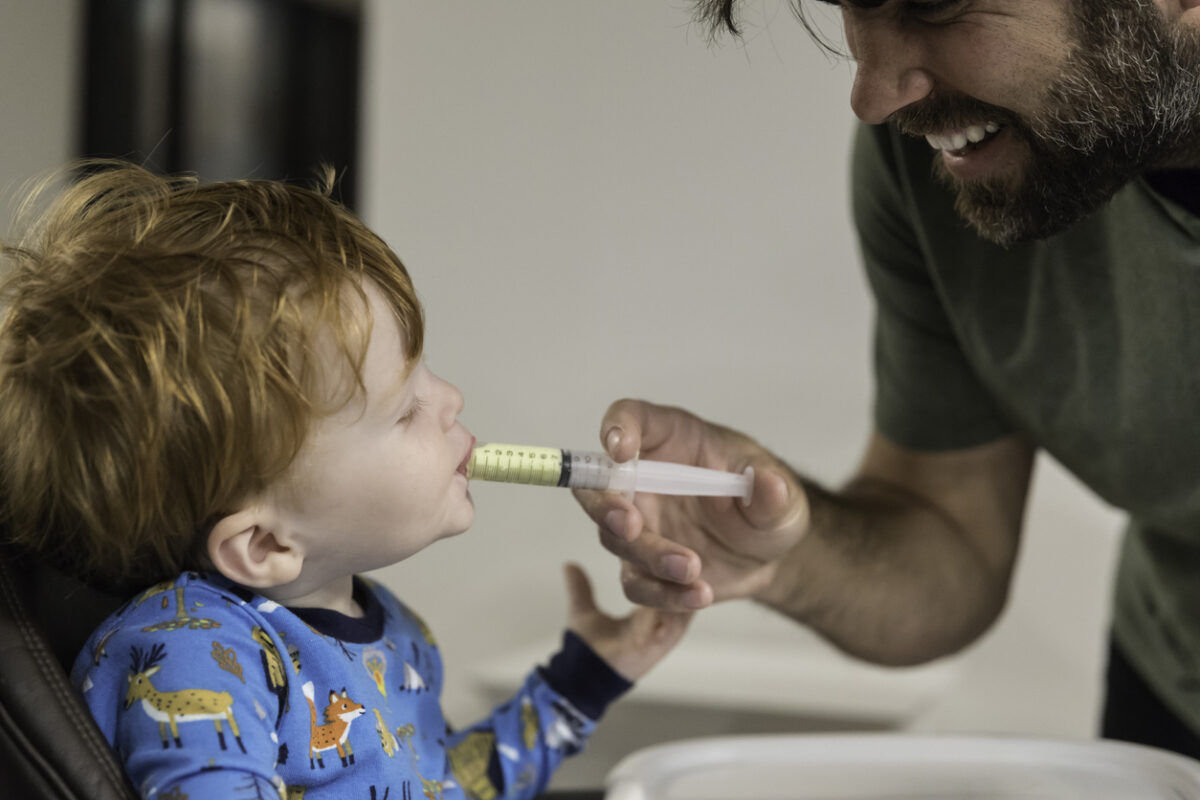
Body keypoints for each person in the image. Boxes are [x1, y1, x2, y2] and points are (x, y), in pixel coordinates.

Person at [574, 0, 1200, 759]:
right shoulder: (950, 164)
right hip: (1172, 692)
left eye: (934, 6)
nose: (872, 97)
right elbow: (952, 540)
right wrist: (783, 545)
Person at [0, 161, 690, 799]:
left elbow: (446, 786)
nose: (450, 398)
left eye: (426, 373)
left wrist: (586, 679)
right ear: (267, 545)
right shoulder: (194, 657)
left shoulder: (393, 633)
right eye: (405, 409)